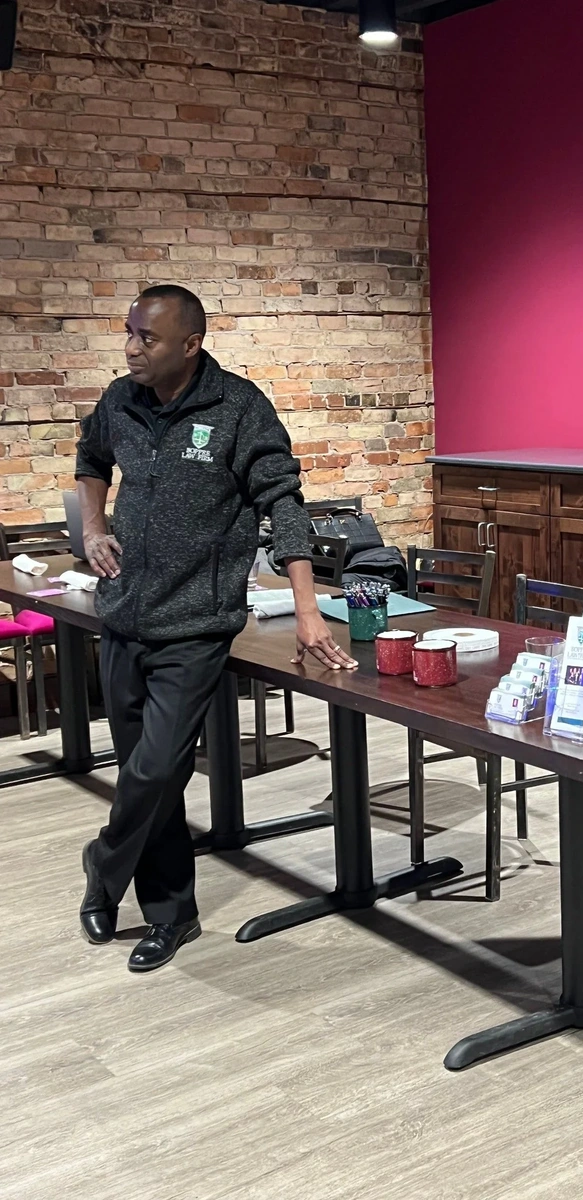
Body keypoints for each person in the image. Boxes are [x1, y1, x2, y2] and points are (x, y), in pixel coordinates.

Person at [76, 284, 357, 973]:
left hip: (195, 626)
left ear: (190, 344)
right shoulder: (121, 399)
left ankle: (103, 860)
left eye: (147, 338)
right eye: (130, 333)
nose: (132, 348)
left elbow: (284, 505)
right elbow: (90, 462)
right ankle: (171, 916)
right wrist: (93, 528)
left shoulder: (239, 410)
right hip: (122, 618)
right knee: (152, 782)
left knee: (157, 767)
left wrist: (309, 607)